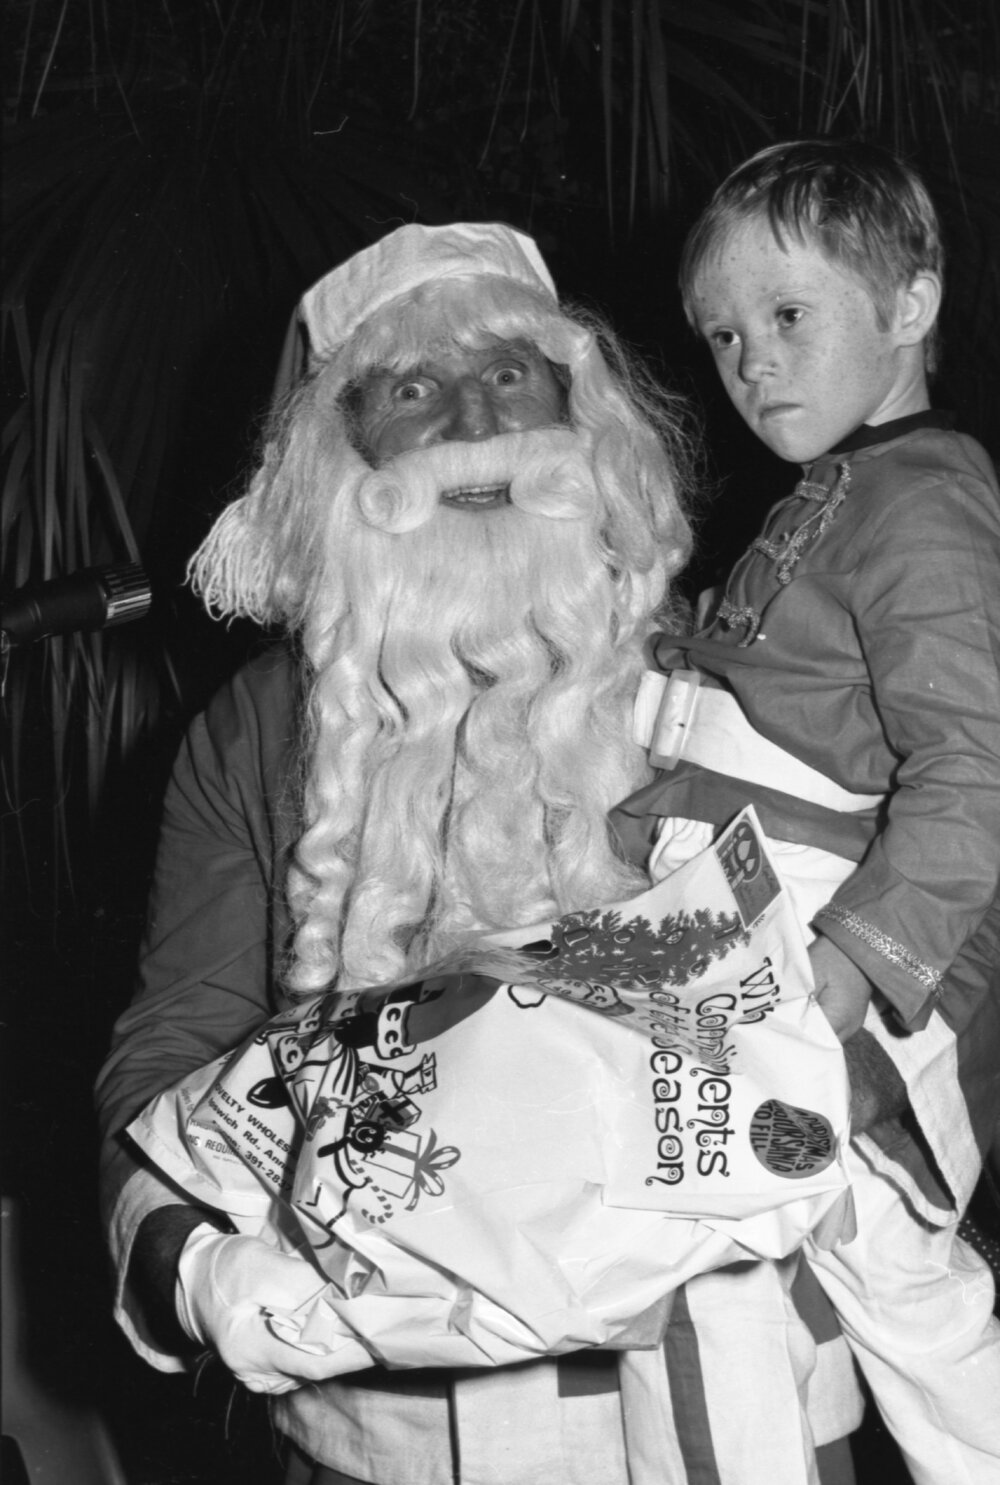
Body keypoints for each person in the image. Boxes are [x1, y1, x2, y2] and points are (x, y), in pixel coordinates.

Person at [97, 221, 863, 1485]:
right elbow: (169, 1051)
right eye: (410, 390)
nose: (469, 421)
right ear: (338, 458)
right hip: (387, 1427)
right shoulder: (254, 729)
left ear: (582, 413)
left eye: (512, 372)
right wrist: (190, 1261)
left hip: (739, 1394)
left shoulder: (736, 669)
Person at [613, 139, 1000, 1485]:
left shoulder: (929, 505)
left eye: (789, 316)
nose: (752, 364)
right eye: (724, 334)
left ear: (911, 303)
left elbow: (976, 773)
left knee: (898, 1281)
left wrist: (848, 974)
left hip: (812, 952)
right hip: (726, 939)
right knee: (728, 1263)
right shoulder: (840, 495)